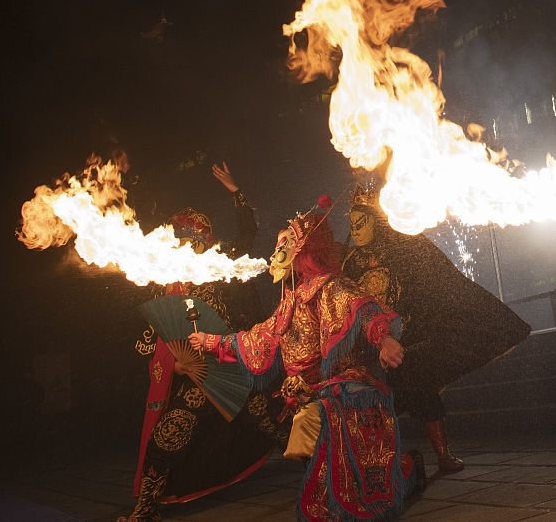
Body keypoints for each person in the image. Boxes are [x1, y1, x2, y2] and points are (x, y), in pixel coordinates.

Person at [190, 197, 422, 521]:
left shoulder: (331, 288)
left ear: (303, 251)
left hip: (347, 384)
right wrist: (211, 341)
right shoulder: (290, 302)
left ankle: (398, 474)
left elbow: (363, 309)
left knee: (315, 429)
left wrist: (384, 340)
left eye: (282, 247)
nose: (275, 256)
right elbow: (257, 338)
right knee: (304, 434)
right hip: (308, 392)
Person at [122, 163, 285, 522]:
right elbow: (145, 346)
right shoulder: (163, 287)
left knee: (270, 421)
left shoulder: (218, 267)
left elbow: (247, 235)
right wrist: (174, 362)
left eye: (191, 241)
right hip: (195, 380)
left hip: (231, 367)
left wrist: (235, 192)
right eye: (180, 241)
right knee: (167, 438)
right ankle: (146, 509)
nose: (185, 247)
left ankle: (319, 466)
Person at [341, 182, 531, 472]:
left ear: (377, 222)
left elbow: (435, 285)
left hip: (409, 336)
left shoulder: (405, 247)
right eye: (352, 224)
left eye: (361, 223)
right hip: (368, 344)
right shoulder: (349, 262)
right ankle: (381, 465)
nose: (355, 230)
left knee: (420, 384)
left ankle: (443, 454)